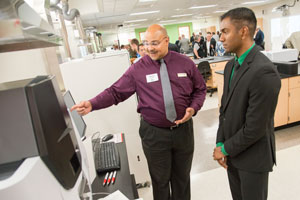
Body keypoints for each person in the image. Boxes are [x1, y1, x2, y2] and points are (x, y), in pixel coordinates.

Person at [72, 24, 207, 200]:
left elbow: (200, 89)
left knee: (182, 179)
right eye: (146, 43)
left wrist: (193, 108)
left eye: (155, 43)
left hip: (183, 131)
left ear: (166, 41)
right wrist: (92, 103)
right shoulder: (138, 68)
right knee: (160, 181)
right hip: (154, 134)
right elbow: (115, 92)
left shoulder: (185, 63)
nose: (150, 48)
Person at [213, 7, 281, 200]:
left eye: (225, 32)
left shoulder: (263, 71)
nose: (221, 38)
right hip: (232, 155)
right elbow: (224, 110)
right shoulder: (230, 66)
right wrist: (220, 141)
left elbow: (255, 128)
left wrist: (224, 149)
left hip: (253, 158)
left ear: (243, 31)